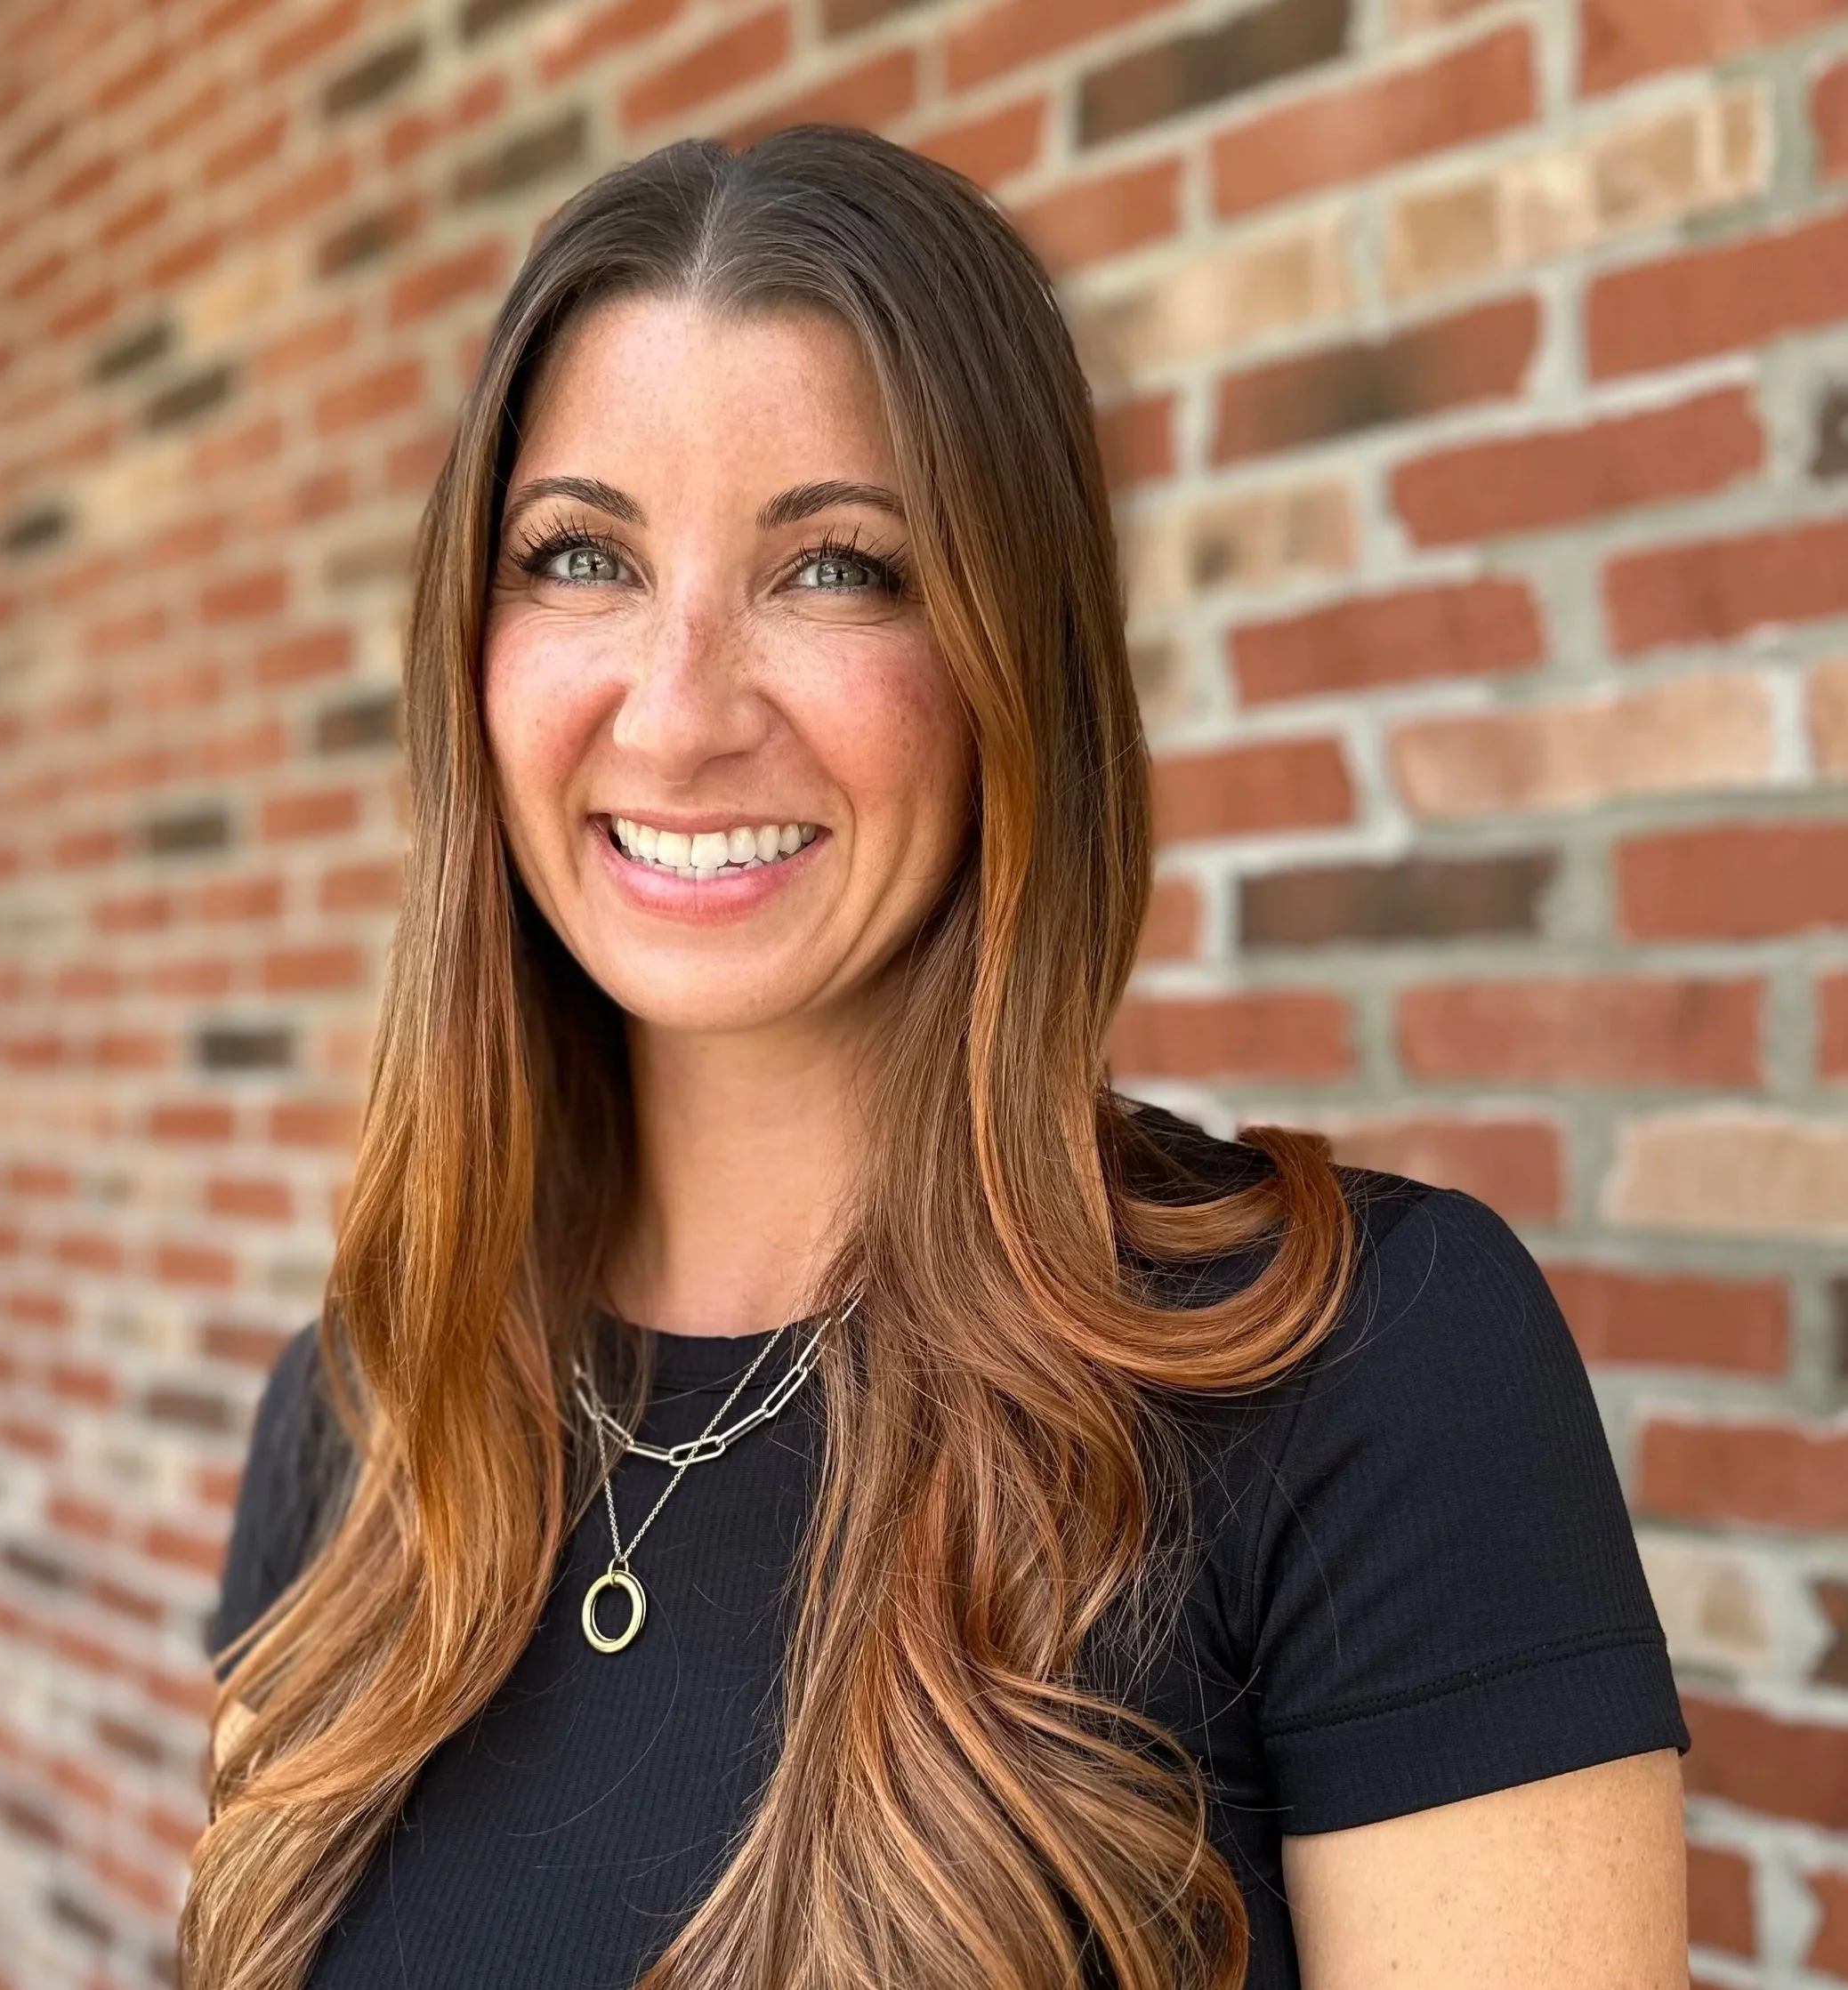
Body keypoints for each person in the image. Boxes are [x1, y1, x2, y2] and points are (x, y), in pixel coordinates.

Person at [180, 126, 1691, 1990]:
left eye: (834, 569)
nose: (678, 708)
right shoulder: (361, 1412)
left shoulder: (1361, 1373)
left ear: (1010, 657)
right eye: (579, 555)